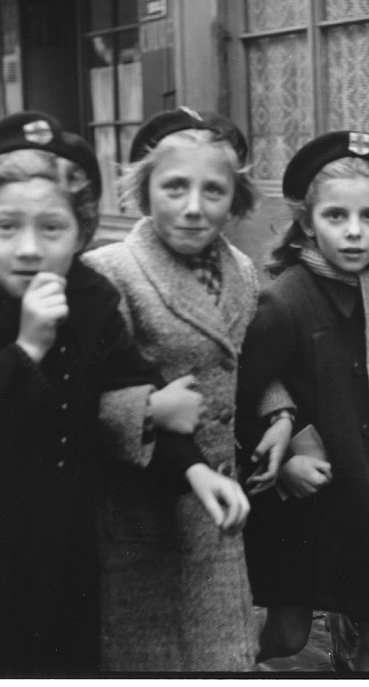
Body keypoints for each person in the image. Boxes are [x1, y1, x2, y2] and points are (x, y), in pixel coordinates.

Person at [0, 111, 206, 677]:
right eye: (6, 227)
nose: (28, 248)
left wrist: (194, 468)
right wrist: (27, 347)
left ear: (82, 230)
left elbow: (129, 385)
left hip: (61, 550)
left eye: (51, 228)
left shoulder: (90, 295)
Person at [84, 107, 293, 672]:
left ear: (237, 200)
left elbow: (242, 357)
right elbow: (84, 387)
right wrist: (148, 410)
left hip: (219, 501)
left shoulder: (243, 271)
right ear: (144, 190)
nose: (194, 207)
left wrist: (278, 416)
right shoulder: (110, 271)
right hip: (142, 503)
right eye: (175, 187)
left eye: (214, 191)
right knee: (146, 657)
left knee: (221, 654)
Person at [237, 130, 369, 672]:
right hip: (307, 500)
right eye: (335, 217)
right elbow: (237, 391)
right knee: (287, 635)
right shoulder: (283, 300)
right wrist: (289, 454)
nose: (353, 233)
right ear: (306, 222)